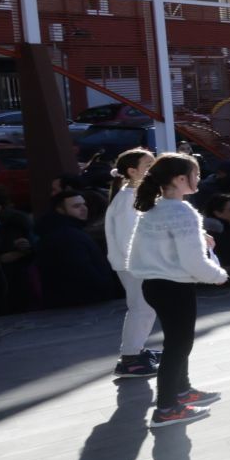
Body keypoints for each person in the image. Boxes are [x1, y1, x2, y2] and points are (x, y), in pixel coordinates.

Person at [122, 154, 229, 428]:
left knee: (177, 343)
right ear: (181, 179)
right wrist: (217, 275)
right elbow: (192, 260)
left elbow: (153, 247)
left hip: (155, 285)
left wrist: (198, 237)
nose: (199, 178)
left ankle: (182, 391)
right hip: (173, 287)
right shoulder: (181, 211)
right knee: (178, 347)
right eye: (196, 173)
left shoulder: (156, 208)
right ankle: (167, 408)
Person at [106, 147, 160, 380]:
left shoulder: (132, 197)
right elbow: (129, 238)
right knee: (142, 309)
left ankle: (134, 352)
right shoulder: (127, 200)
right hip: (134, 264)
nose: (153, 169)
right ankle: (129, 358)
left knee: (144, 309)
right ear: (132, 171)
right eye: (148, 166)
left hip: (136, 263)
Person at [35, 187, 120, 306]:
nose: (83, 208)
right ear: (60, 210)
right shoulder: (66, 235)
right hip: (81, 303)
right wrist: (104, 287)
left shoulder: (69, 231)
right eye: (76, 206)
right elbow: (81, 269)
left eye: (84, 204)